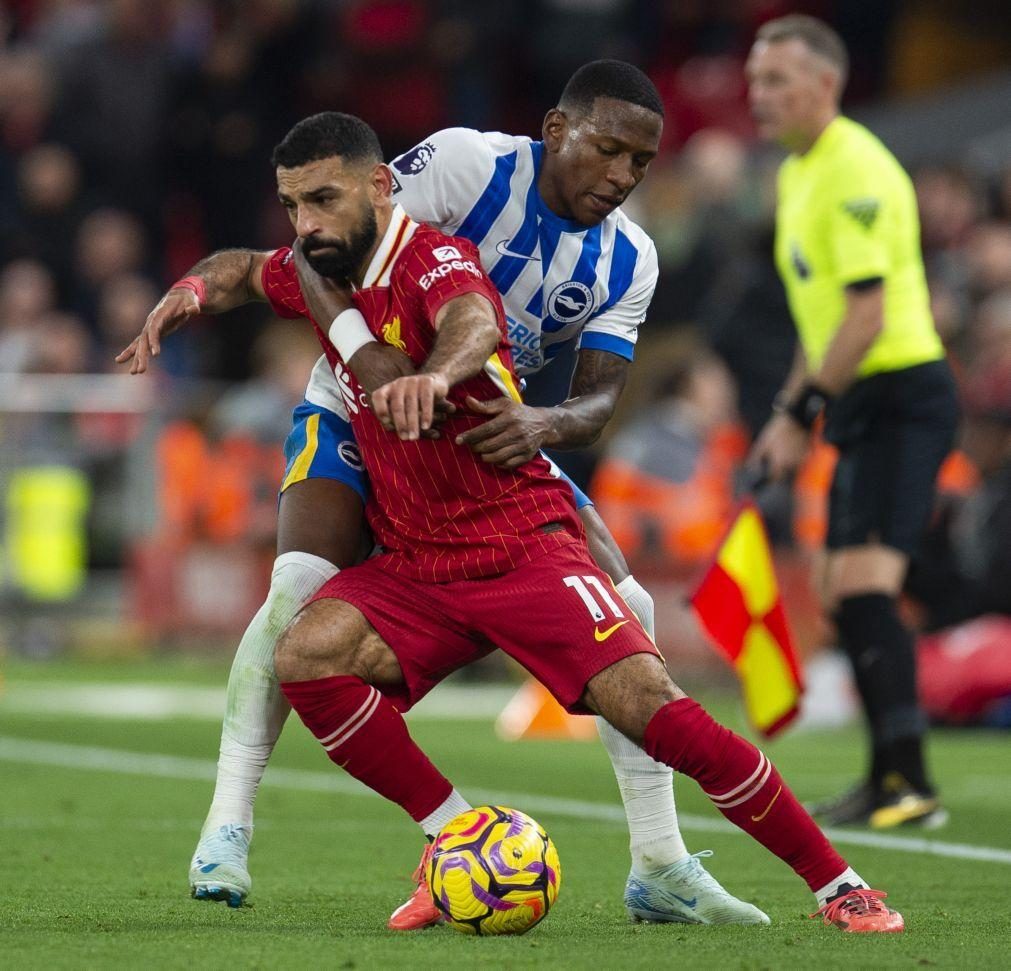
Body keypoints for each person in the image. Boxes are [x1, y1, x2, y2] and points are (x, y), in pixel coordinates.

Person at [119, 63, 763, 926]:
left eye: (638, 163)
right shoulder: (467, 165)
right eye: (606, 149)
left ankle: (659, 861)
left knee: (630, 600)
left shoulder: (631, 254)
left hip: (477, 440)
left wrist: (542, 422)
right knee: (295, 592)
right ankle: (226, 826)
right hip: (356, 410)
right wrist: (366, 352)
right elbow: (332, 241)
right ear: (556, 128)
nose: (619, 174)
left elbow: (602, 399)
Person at [265, 109, 905, 934]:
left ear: (381, 190)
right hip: (424, 560)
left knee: (656, 706)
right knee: (305, 651)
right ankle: (452, 839)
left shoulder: (447, 259)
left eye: (639, 158)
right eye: (298, 207)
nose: (622, 171)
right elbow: (257, 271)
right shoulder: (360, 244)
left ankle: (837, 884)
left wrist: (476, 395)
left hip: (517, 539)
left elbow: (483, 323)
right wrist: (185, 296)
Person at [746, 16, 958, 828]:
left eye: (776, 82)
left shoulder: (855, 167)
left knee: (868, 585)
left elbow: (866, 318)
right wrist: (783, 414)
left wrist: (803, 411)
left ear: (825, 85)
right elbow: (822, 320)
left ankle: (909, 782)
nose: (757, 97)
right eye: (754, 80)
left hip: (902, 390)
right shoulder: (797, 173)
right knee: (839, 588)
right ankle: (887, 778)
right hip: (860, 396)